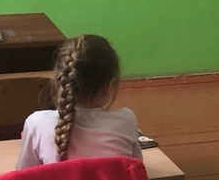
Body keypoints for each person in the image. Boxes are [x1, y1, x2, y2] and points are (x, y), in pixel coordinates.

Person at [16, 34, 142, 168]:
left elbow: (23, 175)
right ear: (108, 87)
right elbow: (137, 170)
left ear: (60, 81)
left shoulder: (37, 123)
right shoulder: (127, 120)